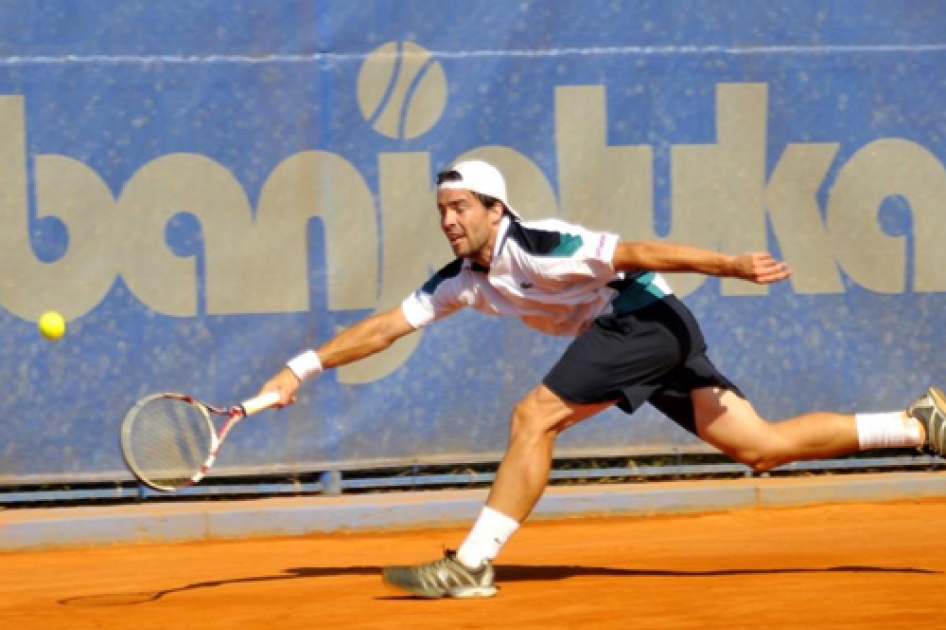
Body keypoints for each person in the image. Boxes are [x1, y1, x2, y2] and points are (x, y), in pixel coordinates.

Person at [259, 159, 946, 599]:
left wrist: (727, 265)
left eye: (461, 207)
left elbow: (637, 251)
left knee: (535, 415)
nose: (448, 220)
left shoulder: (542, 244)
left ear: (496, 210)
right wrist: (299, 369)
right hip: (646, 335)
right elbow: (386, 326)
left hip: (642, 319)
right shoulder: (464, 280)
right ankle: (919, 425)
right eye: (443, 210)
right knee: (759, 446)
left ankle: (471, 564)